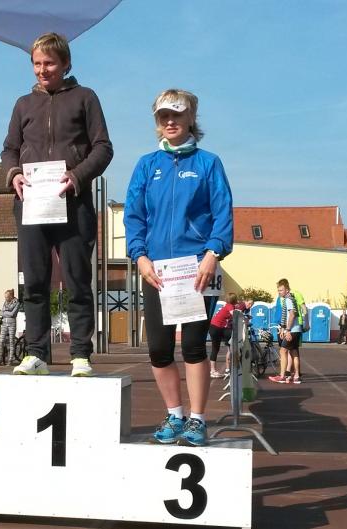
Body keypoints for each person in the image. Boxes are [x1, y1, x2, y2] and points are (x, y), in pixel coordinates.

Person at [124, 88, 233, 446]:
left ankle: (197, 420)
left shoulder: (208, 163)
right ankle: (175, 414)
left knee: (194, 346)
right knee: (158, 348)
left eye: (177, 114)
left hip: (197, 268)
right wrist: (139, 256)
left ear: (191, 118)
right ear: (157, 122)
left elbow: (223, 213)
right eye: (163, 116)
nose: (170, 121)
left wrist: (213, 253)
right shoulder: (146, 165)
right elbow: (134, 216)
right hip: (157, 271)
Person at [1, 32, 113, 377]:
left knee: (78, 281)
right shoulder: (23, 104)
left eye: (49, 63)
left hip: (73, 202)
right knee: (35, 282)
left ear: (65, 63)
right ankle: (36, 353)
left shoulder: (85, 98)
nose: (42, 70)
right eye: (36, 64)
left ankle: (80, 354)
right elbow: (9, 149)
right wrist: (14, 174)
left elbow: (103, 148)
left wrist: (77, 175)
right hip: (31, 203)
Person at [269, 279, 303, 384]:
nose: (279, 292)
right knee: (294, 352)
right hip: (296, 329)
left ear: (287, 290)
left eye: (281, 290)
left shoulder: (288, 299)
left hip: (292, 330)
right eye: (278, 290)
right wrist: (283, 329)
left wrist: (287, 330)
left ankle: (282, 376)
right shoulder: (291, 298)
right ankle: (296, 376)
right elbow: (289, 315)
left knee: (283, 351)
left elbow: (292, 315)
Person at [208, 293, 238, 378]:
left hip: (216, 327)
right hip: (216, 328)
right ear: (234, 300)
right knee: (216, 348)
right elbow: (235, 316)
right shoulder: (230, 306)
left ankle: (214, 370)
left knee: (216, 348)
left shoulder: (227, 305)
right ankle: (213, 370)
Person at [0, 289, 20, 366]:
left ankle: (10, 359)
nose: (5, 299)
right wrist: (5, 313)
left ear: (11, 297)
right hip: (4, 323)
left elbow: (12, 314)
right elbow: (1, 313)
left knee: (11, 341)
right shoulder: (5, 302)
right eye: (5, 297)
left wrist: (4, 313)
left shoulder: (17, 303)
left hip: (12, 324)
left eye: (7, 297)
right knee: (1, 341)